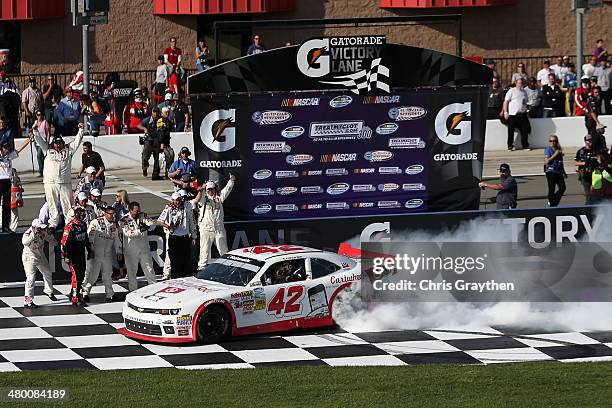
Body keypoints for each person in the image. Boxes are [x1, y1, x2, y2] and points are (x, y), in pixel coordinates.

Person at [195, 175, 236, 269]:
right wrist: (201, 190)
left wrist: (231, 181)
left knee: (224, 250)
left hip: (219, 228)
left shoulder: (219, 198)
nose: (210, 191)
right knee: (204, 251)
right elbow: (198, 199)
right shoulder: (203, 199)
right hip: (206, 229)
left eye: (212, 189)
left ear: (215, 188)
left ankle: (228, 268)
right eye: (208, 189)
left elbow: (227, 190)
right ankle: (201, 268)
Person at [82, 206, 122, 302]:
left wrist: (119, 252)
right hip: (95, 253)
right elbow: (90, 237)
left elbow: (117, 239)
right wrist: (90, 251)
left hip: (107, 254)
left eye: (114, 214)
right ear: (105, 214)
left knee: (108, 274)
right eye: (111, 214)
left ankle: (110, 294)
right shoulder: (96, 222)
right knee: (93, 275)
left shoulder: (114, 225)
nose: (113, 216)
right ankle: (85, 292)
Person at [157, 191, 196, 279]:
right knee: (174, 260)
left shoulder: (187, 206)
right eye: (175, 200)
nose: (177, 202)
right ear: (173, 200)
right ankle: (173, 277)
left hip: (185, 237)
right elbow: (159, 221)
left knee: (185, 258)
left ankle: (184, 277)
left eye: (179, 199)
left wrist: (194, 236)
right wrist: (168, 226)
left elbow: (192, 221)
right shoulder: (169, 208)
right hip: (174, 238)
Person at [119, 201, 157, 291]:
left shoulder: (143, 215)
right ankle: (132, 290)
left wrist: (147, 226)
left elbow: (152, 225)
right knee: (131, 272)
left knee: (149, 269)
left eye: (139, 210)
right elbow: (128, 233)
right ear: (131, 210)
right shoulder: (124, 219)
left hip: (144, 248)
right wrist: (141, 230)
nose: (138, 212)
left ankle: (154, 288)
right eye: (136, 211)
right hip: (131, 250)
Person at [22, 219, 58, 308]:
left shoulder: (43, 231)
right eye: (39, 228)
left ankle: (48, 291)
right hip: (29, 258)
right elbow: (25, 242)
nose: (42, 229)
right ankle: (28, 301)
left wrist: (55, 244)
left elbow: (50, 238)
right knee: (31, 278)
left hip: (40, 256)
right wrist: (33, 235)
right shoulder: (27, 233)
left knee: (48, 272)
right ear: (34, 228)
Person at [61, 207, 93, 305]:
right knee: (76, 275)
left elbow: (86, 239)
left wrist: (89, 250)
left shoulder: (83, 225)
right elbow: (63, 243)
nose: (84, 217)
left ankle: (73, 293)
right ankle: (75, 297)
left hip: (81, 253)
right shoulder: (70, 227)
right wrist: (65, 255)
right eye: (83, 215)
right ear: (77, 215)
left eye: (85, 215)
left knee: (81, 275)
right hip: (72, 255)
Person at [0, 138, 30, 233]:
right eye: (5, 148)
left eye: (7, 148)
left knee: (7, 205)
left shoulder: (10, 156)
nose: (7, 150)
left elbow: (20, 148)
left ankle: (5, 226)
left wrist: (29, 139)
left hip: (8, 181)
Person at [501, 78, 530, 151]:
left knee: (525, 130)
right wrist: (505, 112)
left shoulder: (524, 92)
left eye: (522, 83)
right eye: (519, 83)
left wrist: (526, 109)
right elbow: (506, 102)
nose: (520, 85)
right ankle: (510, 146)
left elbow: (525, 102)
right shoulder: (511, 91)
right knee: (511, 131)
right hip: (513, 115)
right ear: (516, 83)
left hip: (522, 114)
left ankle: (525, 145)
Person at [137, 107, 164, 180]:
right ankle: (144, 167)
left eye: (156, 112)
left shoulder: (161, 120)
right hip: (148, 140)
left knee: (157, 158)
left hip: (157, 140)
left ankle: (156, 174)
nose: (155, 113)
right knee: (145, 155)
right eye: (154, 112)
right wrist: (145, 129)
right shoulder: (148, 119)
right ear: (152, 112)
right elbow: (139, 125)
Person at [544, 134, 566, 207]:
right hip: (551, 171)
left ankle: (554, 202)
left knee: (562, 187)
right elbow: (547, 161)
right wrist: (555, 155)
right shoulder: (548, 150)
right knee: (552, 188)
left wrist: (564, 172)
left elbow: (560, 162)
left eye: (554, 141)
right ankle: (552, 203)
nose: (553, 142)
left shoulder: (559, 150)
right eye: (551, 141)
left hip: (558, 171)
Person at [574, 135, 597, 204]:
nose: (590, 142)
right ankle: (587, 207)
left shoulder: (595, 150)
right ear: (585, 141)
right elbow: (575, 163)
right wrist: (584, 163)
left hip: (595, 175)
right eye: (588, 140)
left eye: (591, 140)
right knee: (588, 194)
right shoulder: (581, 151)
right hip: (585, 174)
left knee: (595, 193)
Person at [31, 109, 49, 177]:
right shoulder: (35, 122)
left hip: (43, 142)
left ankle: (41, 171)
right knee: (41, 157)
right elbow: (32, 130)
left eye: (40, 115)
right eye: (38, 115)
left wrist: (47, 141)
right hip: (36, 142)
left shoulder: (45, 123)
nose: (39, 116)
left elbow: (48, 133)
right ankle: (44, 170)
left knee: (39, 156)